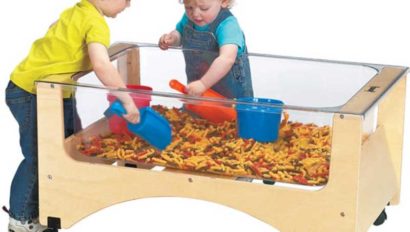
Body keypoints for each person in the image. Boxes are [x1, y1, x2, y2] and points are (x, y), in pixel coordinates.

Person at [5, 0, 138, 231]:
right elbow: (102, 65)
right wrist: (127, 100)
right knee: (39, 156)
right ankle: (21, 219)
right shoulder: (95, 23)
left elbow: (52, 30)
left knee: (60, 151)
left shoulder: (75, 11)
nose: (128, 5)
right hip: (32, 93)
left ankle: (50, 210)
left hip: (51, 92)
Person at [158, 0, 253, 99]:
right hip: (198, 91)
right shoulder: (188, 19)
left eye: (204, 8)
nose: (195, 14)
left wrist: (203, 84)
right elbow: (180, 34)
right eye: (189, 7)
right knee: (197, 113)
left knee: (233, 113)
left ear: (224, 1)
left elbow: (227, 59)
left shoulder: (228, 26)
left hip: (230, 97)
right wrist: (173, 38)